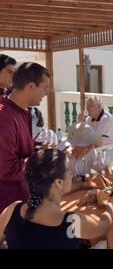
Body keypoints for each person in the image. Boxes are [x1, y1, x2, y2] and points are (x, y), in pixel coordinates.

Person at [0, 149, 113, 249]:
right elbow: (104, 226)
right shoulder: (73, 223)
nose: (72, 177)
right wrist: (110, 206)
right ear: (59, 182)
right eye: (70, 173)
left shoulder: (12, 210)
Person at [0, 62, 50, 213]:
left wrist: (40, 147)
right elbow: (7, 169)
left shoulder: (25, 111)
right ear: (31, 86)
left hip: (25, 196)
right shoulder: (4, 116)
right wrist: (42, 158)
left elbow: (20, 146)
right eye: (45, 87)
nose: (46, 93)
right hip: (9, 207)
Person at [64, 122, 112, 192]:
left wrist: (84, 177)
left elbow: (107, 171)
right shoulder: (62, 157)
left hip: (83, 195)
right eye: (88, 143)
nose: (92, 146)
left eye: (92, 143)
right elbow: (63, 189)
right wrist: (83, 183)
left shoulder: (90, 151)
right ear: (75, 144)